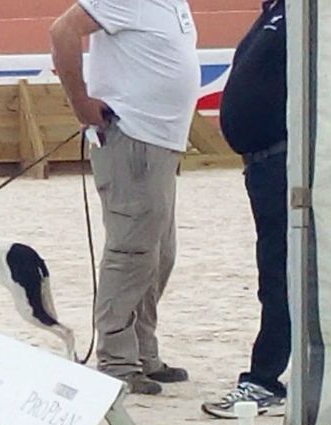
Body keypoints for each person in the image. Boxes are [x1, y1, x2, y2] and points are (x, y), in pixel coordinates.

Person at [50, 0, 199, 395]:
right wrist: (80, 102)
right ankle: (116, 359)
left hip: (162, 142)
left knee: (159, 253)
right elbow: (62, 31)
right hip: (131, 137)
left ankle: (143, 351)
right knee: (131, 251)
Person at [202, 0, 288, 419]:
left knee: (281, 271)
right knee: (275, 270)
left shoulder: (306, 15)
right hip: (265, 163)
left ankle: (265, 378)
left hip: (287, 161)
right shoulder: (276, 11)